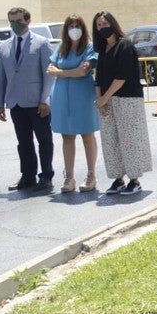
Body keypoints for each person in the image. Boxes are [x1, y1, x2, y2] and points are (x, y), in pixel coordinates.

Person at [0, 6, 55, 191]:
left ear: (28, 20)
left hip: (37, 102)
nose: (15, 25)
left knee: (44, 140)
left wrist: (45, 100)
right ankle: (27, 176)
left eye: (19, 21)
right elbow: (1, 77)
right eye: (12, 21)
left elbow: (49, 74)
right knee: (24, 142)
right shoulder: (4, 46)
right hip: (16, 103)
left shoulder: (42, 43)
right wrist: (0, 105)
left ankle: (46, 176)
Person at [92, 11, 151, 196]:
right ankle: (118, 179)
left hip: (127, 99)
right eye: (99, 25)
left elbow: (122, 77)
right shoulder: (103, 50)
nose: (102, 28)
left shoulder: (124, 45)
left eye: (105, 23)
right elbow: (99, 78)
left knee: (129, 140)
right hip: (108, 100)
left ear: (113, 24)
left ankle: (134, 180)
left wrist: (104, 98)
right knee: (110, 141)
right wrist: (100, 100)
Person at [47, 14, 99, 192]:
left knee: (87, 135)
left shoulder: (89, 48)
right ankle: (69, 177)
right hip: (62, 97)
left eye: (77, 26)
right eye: (70, 26)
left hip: (83, 96)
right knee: (67, 136)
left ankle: (91, 174)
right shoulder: (61, 47)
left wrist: (61, 72)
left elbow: (83, 72)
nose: (73, 29)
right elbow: (50, 69)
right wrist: (69, 71)